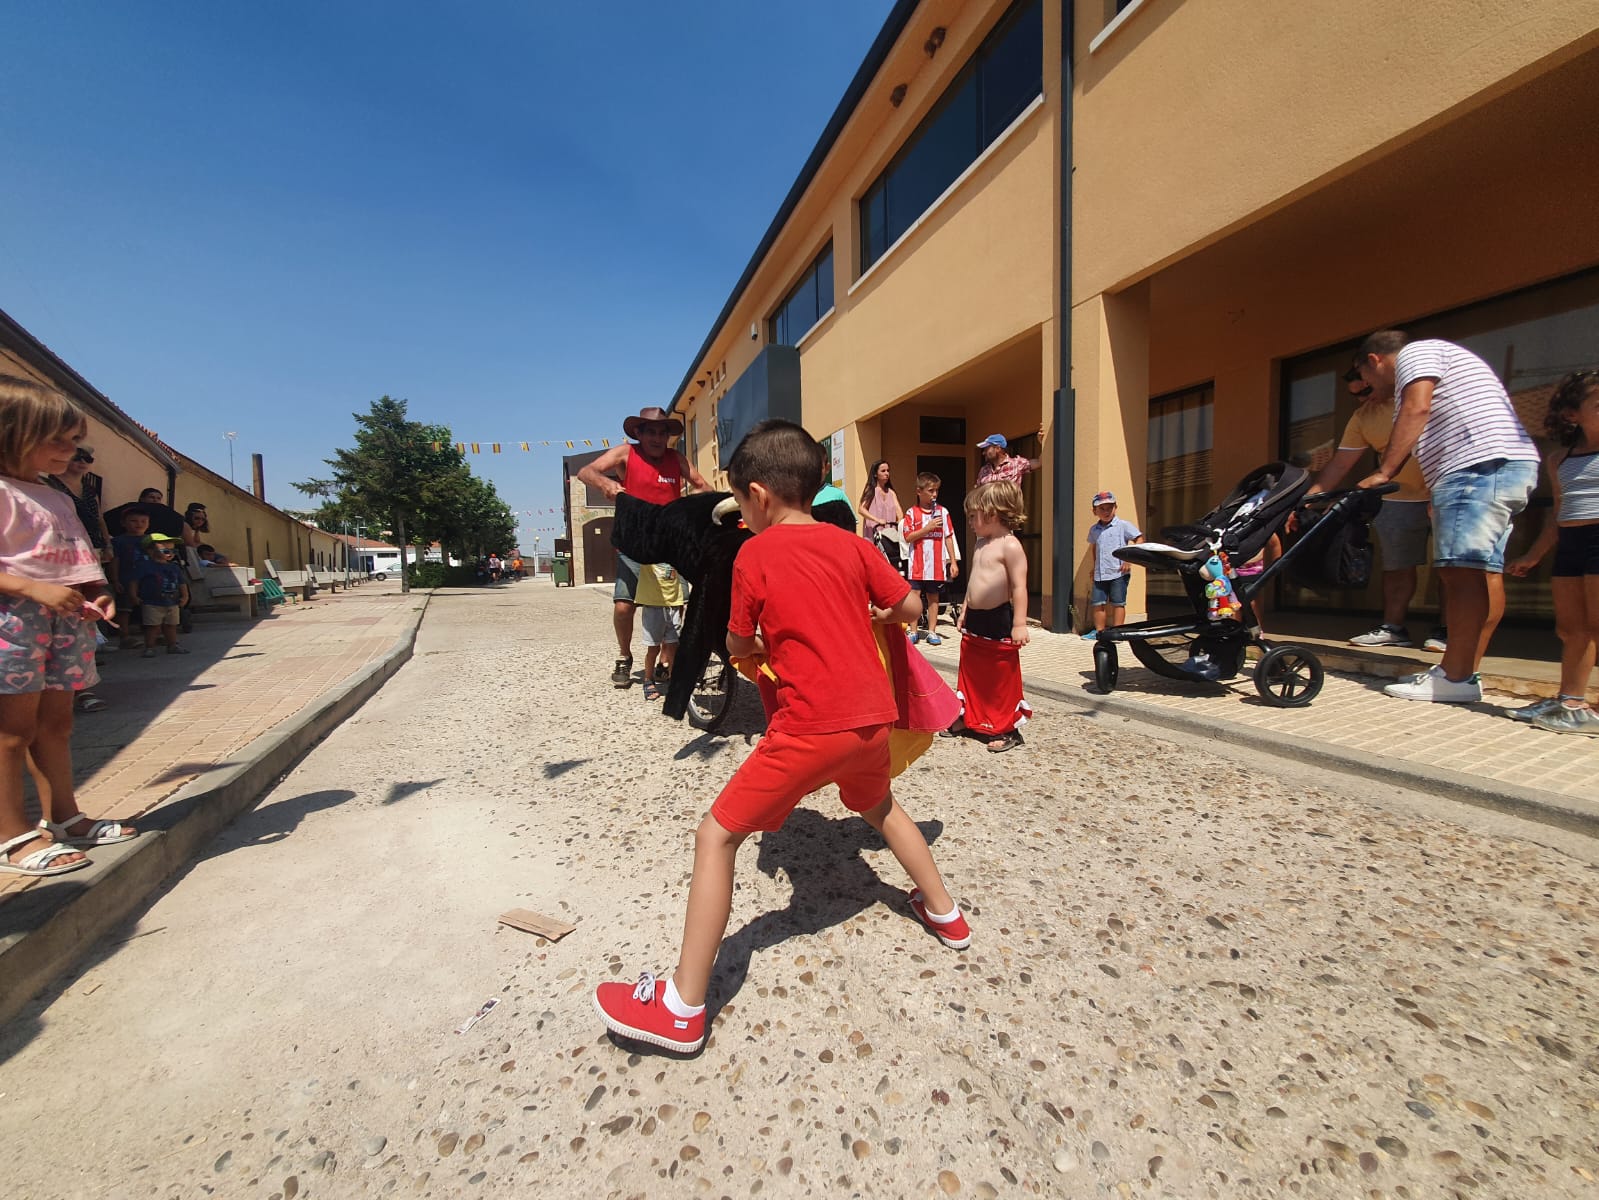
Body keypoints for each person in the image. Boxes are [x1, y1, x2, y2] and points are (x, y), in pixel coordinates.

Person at [592, 419, 968, 1054]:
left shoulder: (754, 554)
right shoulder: (853, 547)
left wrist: (759, 643)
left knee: (716, 836)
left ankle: (682, 1008)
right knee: (878, 806)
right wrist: (873, 612)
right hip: (871, 721)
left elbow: (737, 641)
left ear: (758, 496)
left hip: (808, 728)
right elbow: (908, 607)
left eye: (739, 501)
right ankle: (947, 915)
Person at [0, 374, 136, 877]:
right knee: (11, 731)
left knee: (55, 725)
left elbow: (70, 556)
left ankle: (65, 817)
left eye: (75, 441)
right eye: (58, 440)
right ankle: (11, 836)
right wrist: (32, 590)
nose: (71, 451)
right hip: (13, 620)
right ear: (11, 432)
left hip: (64, 619)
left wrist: (93, 591)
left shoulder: (55, 494)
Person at [1355, 331, 1539, 703]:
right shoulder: (1446, 355)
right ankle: (1464, 673)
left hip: (1477, 468)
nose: (1374, 390)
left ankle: (1454, 677)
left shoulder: (1416, 354)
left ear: (1374, 360)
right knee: (1482, 571)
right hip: (1502, 466)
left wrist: (1385, 470)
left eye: (1368, 381)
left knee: (1460, 572)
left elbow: (1417, 408)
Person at [1310, 364, 1447, 651]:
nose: (1363, 399)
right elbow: (1339, 463)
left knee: (1450, 567)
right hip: (1397, 498)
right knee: (1397, 567)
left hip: (1444, 491)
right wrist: (1309, 500)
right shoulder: (1363, 416)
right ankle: (1393, 629)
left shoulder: (1420, 399)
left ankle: (1448, 630)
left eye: (1367, 390)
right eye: (1356, 395)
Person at [578, 407, 710, 688]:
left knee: (674, 605)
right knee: (625, 607)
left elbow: (703, 487)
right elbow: (585, 471)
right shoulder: (626, 453)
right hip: (634, 543)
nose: (657, 437)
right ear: (639, 433)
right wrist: (605, 483)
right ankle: (625, 656)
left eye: (663, 432)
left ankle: (664, 660)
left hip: (669, 545)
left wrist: (687, 508)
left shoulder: (677, 459)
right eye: (651, 431)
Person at [1507, 371, 1599, 735]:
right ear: (1572, 414)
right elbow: (1557, 514)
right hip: (1571, 547)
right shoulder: (1560, 459)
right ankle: (1571, 701)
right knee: (1570, 628)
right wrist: (1532, 555)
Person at [948, 481, 1032, 753]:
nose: (970, 522)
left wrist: (1019, 623)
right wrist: (964, 609)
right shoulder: (981, 543)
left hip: (998, 618)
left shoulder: (1011, 546)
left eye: (974, 516)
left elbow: (1019, 587)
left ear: (993, 514)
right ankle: (971, 716)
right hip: (974, 618)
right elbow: (975, 580)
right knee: (972, 671)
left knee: (999, 676)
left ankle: (1007, 727)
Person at [901, 472, 958, 645]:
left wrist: (953, 562)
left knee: (934, 597)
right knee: (915, 596)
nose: (934, 494)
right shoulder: (911, 513)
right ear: (919, 491)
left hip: (936, 565)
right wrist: (927, 528)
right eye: (931, 490)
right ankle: (913, 630)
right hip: (917, 565)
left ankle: (932, 631)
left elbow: (948, 536)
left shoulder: (943, 512)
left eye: (936, 491)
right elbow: (908, 537)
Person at [1081, 490, 1142, 638]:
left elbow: (1139, 539)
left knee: (1118, 603)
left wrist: (1129, 559)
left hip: (1118, 572)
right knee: (1097, 603)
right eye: (1101, 508)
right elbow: (1095, 548)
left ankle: (1118, 632)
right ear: (1094, 511)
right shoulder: (1094, 530)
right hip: (1100, 573)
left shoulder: (1123, 525)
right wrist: (1094, 567)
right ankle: (1100, 632)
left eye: (1110, 507)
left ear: (1116, 507)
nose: (1106, 511)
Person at [133, 533, 190, 657]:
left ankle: (173, 645)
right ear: (150, 550)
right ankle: (149, 647)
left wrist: (185, 596)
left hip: (172, 602)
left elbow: (182, 583)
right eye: (165, 550)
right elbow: (135, 581)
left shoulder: (174, 567)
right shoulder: (144, 567)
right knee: (152, 626)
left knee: (171, 625)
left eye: (173, 550)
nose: (170, 553)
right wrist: (134, 595)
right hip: (152, 602)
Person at [636, 563, 685, 701]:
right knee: (653, 648)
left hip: (674, 604)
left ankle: (674, 681)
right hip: (653, 606)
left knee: (673, 647)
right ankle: (648, 679)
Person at [110, 506, 152, 647]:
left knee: (151, 608)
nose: (139, 524)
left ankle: (153, 635)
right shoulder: (118, 541)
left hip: (148, 581)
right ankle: (125, 637)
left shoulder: (152, 540)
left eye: (143, 521)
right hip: (126, 579)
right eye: (134, 521)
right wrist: (115, 580)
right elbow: (115, 561)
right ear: (124, 523)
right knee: (124, 610)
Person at [857, 459, 903, 562]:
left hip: (890, 536)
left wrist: (900, 521)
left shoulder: (891, 493)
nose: (887, 473)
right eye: (883, 471)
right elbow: (861, 509)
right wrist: (877, 520)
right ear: (875, 474)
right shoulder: (871, 490)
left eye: (888, 470)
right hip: (874, 535)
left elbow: (898, 510)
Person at [975, 426, 1047, 486]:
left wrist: (1043, 443)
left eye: (986, 449)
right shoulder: (984, 470)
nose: (983, 453)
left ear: (997, 448)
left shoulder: (1016, 464)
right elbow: (977, 492)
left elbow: (1039, 462)